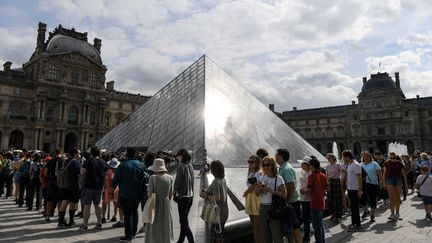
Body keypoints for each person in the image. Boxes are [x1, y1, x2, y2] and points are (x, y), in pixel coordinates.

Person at [112, 148, 146, 242]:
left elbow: (115, 180)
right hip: (138, 194)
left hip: (126, 194)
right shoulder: (141, 164)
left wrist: (113, 187)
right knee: (135, 212)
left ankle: (128, 236)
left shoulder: (123, 165)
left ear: (127, 154)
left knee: (128, 214)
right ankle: (133, 233)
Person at [256, 157, 286, 243]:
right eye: (264, 165)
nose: (265, 167)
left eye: (267, 165)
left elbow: (284, 193)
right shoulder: (261, 178)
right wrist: (258, 187)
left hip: (273, 208)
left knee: (277, 235)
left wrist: (272, 191)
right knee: (265, 235)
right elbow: (257, 194)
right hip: (262, 208)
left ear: (272, 166)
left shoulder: (278, 178)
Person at [145, 158, 174, 243]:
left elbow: (149, 194)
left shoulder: (153, 178)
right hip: (166, 204)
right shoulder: (170, 178)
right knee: (165, 225)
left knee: (154, 225)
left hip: (155, 204)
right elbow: (170, 194)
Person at [275, 148, 301, 243]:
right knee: (290, 227)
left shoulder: (286, 169)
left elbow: (292, 186)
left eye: (276, 155)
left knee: (294, 227)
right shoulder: (283, 167)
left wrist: (287, 200)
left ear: (281, 156)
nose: (275, 157)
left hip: (291, 202)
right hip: (290, 201)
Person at [79, 146, 107, 230]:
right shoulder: (103, 162)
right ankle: (99, 222)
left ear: (91, 153)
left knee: (87, 206)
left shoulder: (88, 161)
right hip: (99, 187)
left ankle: (85, 225)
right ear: (99, 153)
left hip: (89, 186)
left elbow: (82, 172)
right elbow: (105, 175)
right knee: (98, 205)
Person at [173, 149, 195, 243]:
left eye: (177, 156)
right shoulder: (190, 165)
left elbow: (177, 182)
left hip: (183, 198)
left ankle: (191, 241)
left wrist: (173, 192)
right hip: (190, 197)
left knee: (184, 222)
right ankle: (180, 240)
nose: (177, 158)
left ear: (181, 156)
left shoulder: (181, 166)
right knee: (184, 220)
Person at [57, 148, 81, 228]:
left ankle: (61, 221)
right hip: (73, 185)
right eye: (78, 153)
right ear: (75, 154)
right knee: (72, 203)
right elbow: (79, 173)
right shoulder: (76, 162)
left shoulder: (64, 161)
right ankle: (71, 221)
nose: (79, 155)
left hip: (64, 185)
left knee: (64, 202)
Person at [307, 157, 328, 243]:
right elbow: (327, 188)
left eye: (309, 166)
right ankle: (322, 240)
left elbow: (309, 190)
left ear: (312, 166)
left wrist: (304, 190)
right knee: (320, 222)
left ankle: (319, 241)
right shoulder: (323, 175)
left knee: (316, 224)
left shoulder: (311, 176)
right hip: (321, 201)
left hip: (314, 202)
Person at [243, 155, 263, 243]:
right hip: (250, 200)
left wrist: (246, 192)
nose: (250, 163)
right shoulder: (250, 173)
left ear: (257, 163)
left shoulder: (258, 173)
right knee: (254, 226)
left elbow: (253, 186)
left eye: (252, 162)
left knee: (257, 226)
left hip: (256, 199)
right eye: (249, 161)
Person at [383, 152, 408, 221]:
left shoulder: (399, 163)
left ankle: (397, 213)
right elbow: (384, 173)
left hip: (398, 180)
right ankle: (392, 214)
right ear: (389, 157)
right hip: (389, 180)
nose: (392, 159)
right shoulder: (386, 163)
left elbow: (404, 174)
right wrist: (384, 183)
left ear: (396, 157)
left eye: (394, 158)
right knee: (391, 198)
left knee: (397, 197)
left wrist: (406, 184)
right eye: (391, 158)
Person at [342, 150, 362, 232]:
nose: (342, 158)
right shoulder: (349, 165)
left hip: (355, 189)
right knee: (352, 208)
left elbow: (359, 179)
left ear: (347, 157)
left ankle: (357, 225)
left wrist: (360, 190)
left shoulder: (356, 165)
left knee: (355, 208)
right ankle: (354, 223)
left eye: (343, 157)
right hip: (350, 188)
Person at [360, 152, 383, 223]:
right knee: (362, 199)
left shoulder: (374, 164)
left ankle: (372, 215)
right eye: (364, 156)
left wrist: (381, 182)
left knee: (372, 199)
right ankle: (366, 210)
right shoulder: (360, 164)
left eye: (367, 156)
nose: (366, 157)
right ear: (362, 157)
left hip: (372, 183)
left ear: (370, 157)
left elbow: (379, 173)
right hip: (363, 184)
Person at [325, 153, 345, 223]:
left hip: (336, 182)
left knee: (337, 200)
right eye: (327, 158)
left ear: (333, 158)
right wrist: (326, 184)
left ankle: (337, 216)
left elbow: (344, 172)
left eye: (329, 157)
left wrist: (342, 180)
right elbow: (327, 176)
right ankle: (333, 214)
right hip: (330, 183)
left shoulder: (338, 165)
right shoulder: (327, 166)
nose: (328, 159)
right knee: (330, 200)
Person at [298, 156, 312, 242]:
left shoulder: (310, 174)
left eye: (302, 163)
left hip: (308, 198)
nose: (301, 165)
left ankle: (307, 235)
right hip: (303, 198)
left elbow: (311, 187)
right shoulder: (304, 173)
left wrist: (304, 191)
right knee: (305, 217)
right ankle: (307, 234)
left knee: (306, 217)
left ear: (307, 165)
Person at [102, 158, 120, 224]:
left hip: (107, 188)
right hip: (116, 188)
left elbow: (106, 180)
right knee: (115, 203)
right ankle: (114, 216)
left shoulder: (108, 171)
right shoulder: (118, 171)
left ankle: (103, 217)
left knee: (104, 203)